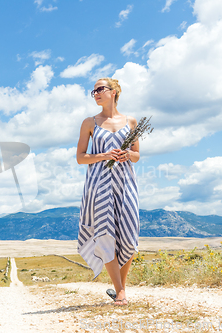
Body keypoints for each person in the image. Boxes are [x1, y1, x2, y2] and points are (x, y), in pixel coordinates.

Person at [76, 77, 140, 306]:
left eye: (100, 90)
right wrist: (104, 155)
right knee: (104, 234)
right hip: (99, 184)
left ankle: (119, 288)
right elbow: (80, 158)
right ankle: (120, 292)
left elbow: (137, 155)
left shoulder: (131, 121)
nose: (95, 94)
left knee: (129, 234)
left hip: (125, 183)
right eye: (93, 91)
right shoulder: (89, 123)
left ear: (114, 92)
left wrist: (126, 155)